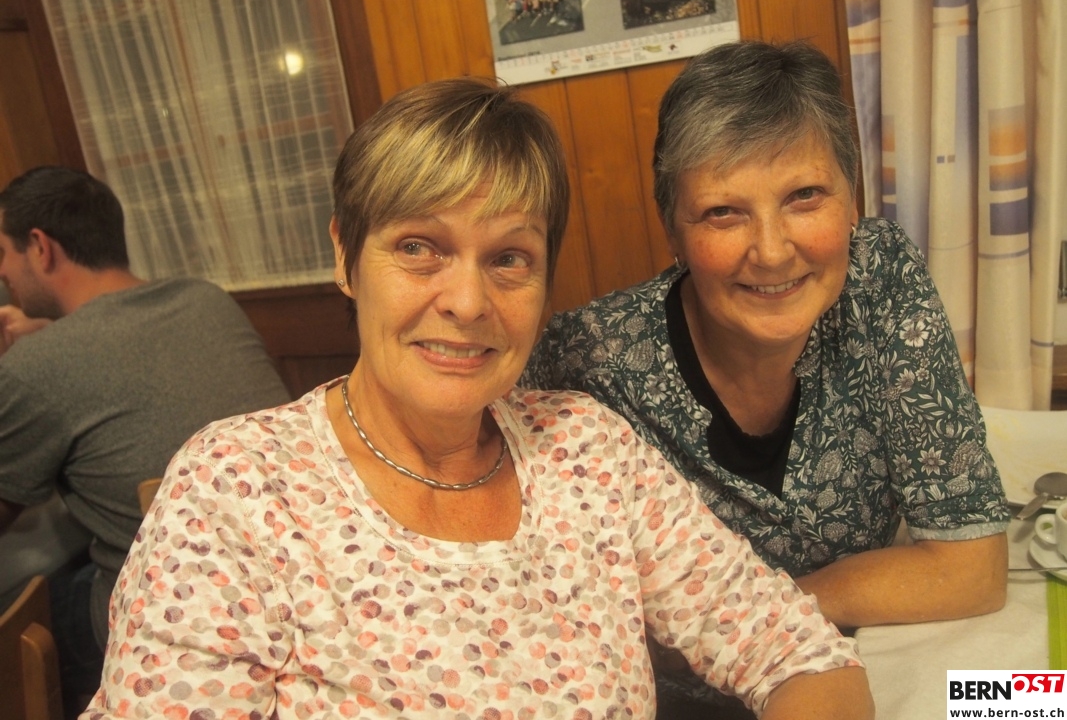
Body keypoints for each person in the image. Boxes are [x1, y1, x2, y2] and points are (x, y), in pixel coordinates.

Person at [81, 79, 873, 719]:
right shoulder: (237, 488)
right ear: (346, 257)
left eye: (508, 259)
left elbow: (798, 653)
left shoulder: (587, 451)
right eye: (418, 248)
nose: (466, 302)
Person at [522, 40, 1011, 712]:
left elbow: (971, 566)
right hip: (682, 708)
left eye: (804, 196)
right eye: (723, 212)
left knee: (1030, 700)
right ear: (673, 230)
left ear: (851, 201)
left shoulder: (878, 278)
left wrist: (771, 620)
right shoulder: (583, 364)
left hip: (857, 674)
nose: (774, 251)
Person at [0, 166, 292, 718]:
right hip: (283, 571)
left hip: (173, 616)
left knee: (28, 602)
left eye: (3, 254)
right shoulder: (205, 298)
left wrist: (17, 368)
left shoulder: (38, 367)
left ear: (40, 247)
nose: (2, 273)